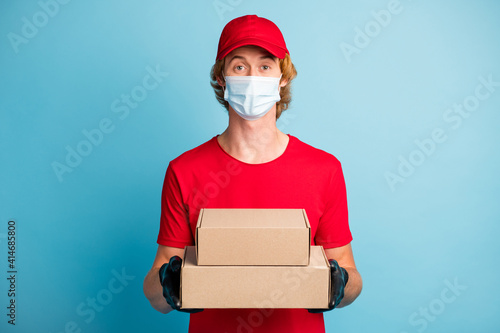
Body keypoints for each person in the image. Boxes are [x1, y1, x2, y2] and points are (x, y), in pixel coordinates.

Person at [143, 14, 362, 333]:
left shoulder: (323, 170)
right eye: (239, 66)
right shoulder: (185, 170)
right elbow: (155, 294)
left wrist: (338, 285)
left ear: (282, 77)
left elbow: (351, 279)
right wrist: (169, 286)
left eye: (265, 65)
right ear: (222, 77)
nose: (253, 77)